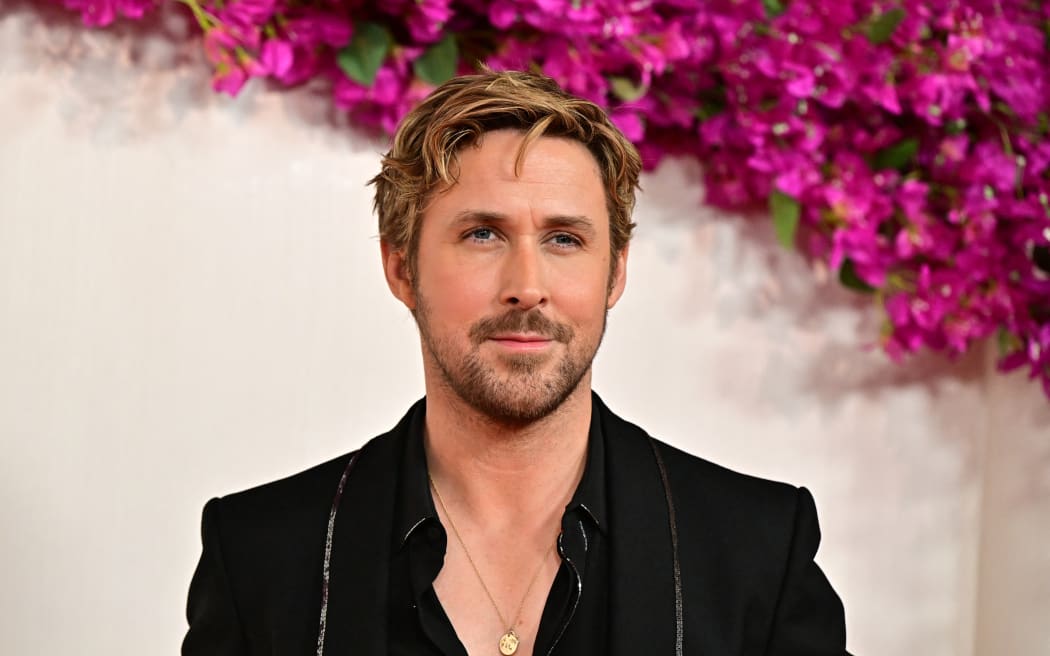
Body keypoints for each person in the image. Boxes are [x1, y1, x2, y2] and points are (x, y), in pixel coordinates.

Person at [182, 70, 848, 656]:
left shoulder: (759, 549)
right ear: (400, 267)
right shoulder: (261, 554)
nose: (527, 285)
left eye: (564, 238)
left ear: (615, 273)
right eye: (482, 234)